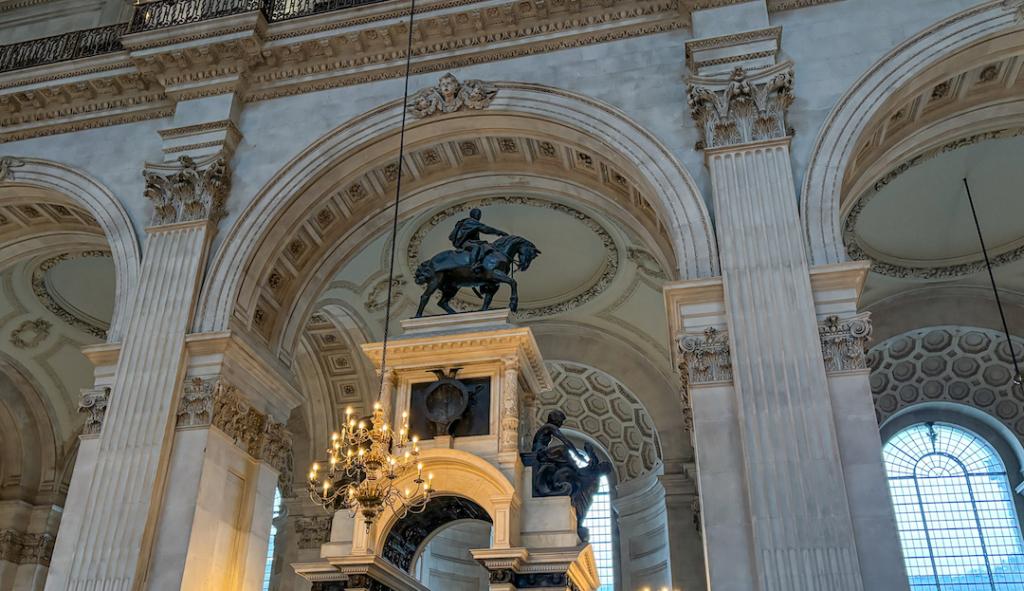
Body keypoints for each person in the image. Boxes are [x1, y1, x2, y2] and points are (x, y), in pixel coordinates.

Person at [448, 208, 508, 274]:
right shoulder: (471, 221)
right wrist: (501, 233)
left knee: (485, 245)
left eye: (479, 214)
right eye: (478, 214)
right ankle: (473, 265)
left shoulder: (472, 223)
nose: (479, 216)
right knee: (477, 247)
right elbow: (486, 229)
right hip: (464, 243)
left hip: (469, 241)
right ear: (473, 214)